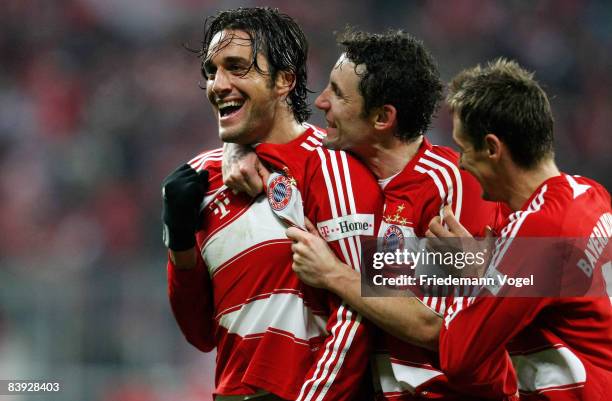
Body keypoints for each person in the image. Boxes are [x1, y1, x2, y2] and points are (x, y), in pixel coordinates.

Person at [224, 29, 502, 400]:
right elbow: (278, 135)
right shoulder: (342, 166)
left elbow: (434, 325)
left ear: (382, 118)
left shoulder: (450, 186)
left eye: (338, 94)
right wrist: (238, 148)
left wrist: (334, 274)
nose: (321, 102)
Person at [161, 8, 383, 401]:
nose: (218, 85)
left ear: (284, 80)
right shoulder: (201, 180)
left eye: (237, 67)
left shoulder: (332, 167)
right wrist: (179, 243)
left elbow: (362, 314)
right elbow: (199, 334)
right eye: (212, 72)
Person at [426, 59, 612, 400]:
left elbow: (458, 355)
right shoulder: (590, 193)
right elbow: (553, 286)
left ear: (493, 148)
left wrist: (468, 277)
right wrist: (490, 270)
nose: (462, 162)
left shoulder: (538, 233)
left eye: (464, 148)